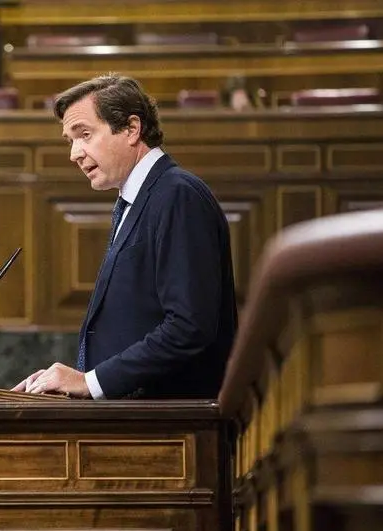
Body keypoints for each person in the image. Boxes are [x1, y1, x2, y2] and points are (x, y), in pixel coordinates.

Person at [12, 74, 237, 400]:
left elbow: (189, 327)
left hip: (172, 425)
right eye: (70, 140)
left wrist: (91, 383)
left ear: (132, 129)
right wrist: (76, 380)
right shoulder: (140, 199)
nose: (75, 153)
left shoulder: (177, 195)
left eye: (85, 135)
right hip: (138, 421)